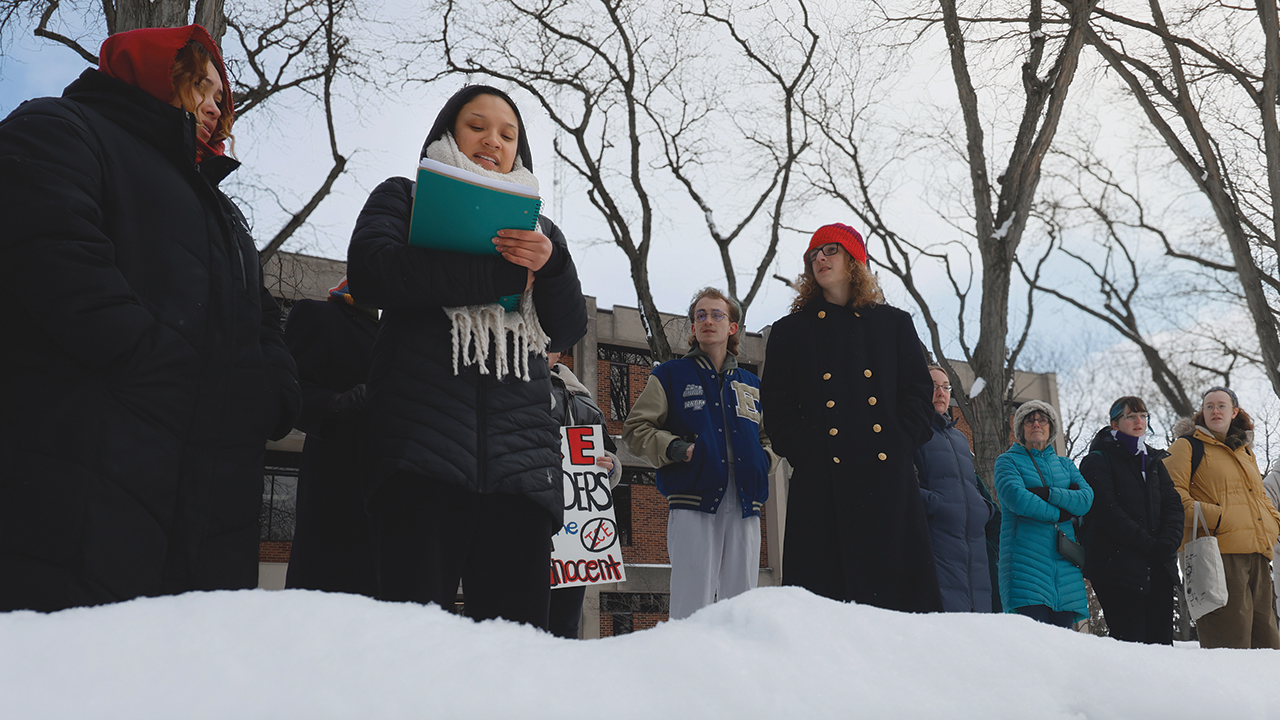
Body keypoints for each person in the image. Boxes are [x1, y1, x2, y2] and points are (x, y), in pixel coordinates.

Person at [0, 25, 300, 612]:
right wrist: (144, 357)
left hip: (213, 501)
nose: (217, 106)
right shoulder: (60, 126)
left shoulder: (224, 214)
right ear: (161, 73)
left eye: (223, 98)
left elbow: (262, 318)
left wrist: (271, 392)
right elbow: (49, 245)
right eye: (204, 87)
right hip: (81, 470)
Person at [347, 85, 587, 629]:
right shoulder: (403, 198)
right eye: (477, 126)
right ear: (447, 132)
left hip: (520, 474)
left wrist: (550, 269)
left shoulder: (541, 232)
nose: (492, 141)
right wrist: (496, 276)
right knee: (411, 646)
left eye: (508, 134)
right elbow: (371, 272)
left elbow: (567, 328)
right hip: (420, 461)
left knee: (516, 660)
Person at [760, 223, 942, 613]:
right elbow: (776, 405)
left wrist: (898, 441)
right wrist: (807, 451)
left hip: (888, 484)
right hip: (821, 488)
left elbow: (918, 395)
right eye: (813, 255)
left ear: (855, 260)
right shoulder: (790, 332)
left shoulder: (895, 323)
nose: (819, 259)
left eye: (830, 250)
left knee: (901, 612)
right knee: (824, 616)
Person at [622, 287, 778, 621]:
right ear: (693, 327)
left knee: (742, 606)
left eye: (717, 315)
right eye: (700, 315)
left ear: (732, 327)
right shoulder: (670, 375)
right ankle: (686, 669)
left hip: (746, 502)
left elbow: (772, 437)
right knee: (692, 606)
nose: (708, 321)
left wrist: (763, 459)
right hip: (694, 499)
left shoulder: (751, 383)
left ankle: (737, 669)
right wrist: (676, 449)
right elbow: (636, 430)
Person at [283, 278, 379, 597]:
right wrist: (337, 403)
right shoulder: (321, 316)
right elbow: (292, 392)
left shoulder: (420, 329)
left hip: (402, 496)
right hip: (340, 487)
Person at [1166, 387, 1280, 649]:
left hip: (1259, 556)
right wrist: (1219, 518)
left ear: (1234, 411)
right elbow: (1171, 497)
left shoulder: (1245, 451)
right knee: (1230, 646)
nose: (1215, 411)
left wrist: (1273, 524)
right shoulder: (1186, 447)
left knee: (1268, 648)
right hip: (1218, 556)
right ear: (1202, 412)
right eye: (1209, 406)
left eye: (1221, 406)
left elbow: (1260, 497)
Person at [1077, 396, 1183, 644]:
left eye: (1144, 415)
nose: (1139, 421)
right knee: (1130, 647)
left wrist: (1168, 542)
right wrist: (1148, 544)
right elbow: (1105, 511)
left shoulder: (1154, 461)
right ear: (1114, 424)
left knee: (1161, 647)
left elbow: (1174, 505)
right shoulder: (1097, 460)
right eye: (1131, 416)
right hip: (1117, 568)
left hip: (1158, 566)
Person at [994, 400, 1094, 628]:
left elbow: (1086, 499)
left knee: (1063, 651)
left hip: (1065, 569)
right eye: (1030, 420)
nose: (1036, 424)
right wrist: (1061, 513)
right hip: (1025, 567)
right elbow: (1018, 499)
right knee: (1033, 649)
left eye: (1042, 419)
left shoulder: (1066, 465)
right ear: (1021, 429)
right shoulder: (1007, 461)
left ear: (1051, 428)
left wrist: (1047, 492)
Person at [546, 349, 619, 638]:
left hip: (572, 542)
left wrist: (611, 467)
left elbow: (609, 457)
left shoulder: (583, 401)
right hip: (522, 522)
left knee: (564, 625)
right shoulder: (509, 384)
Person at [913, 366, 994, 613]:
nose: (941, 392)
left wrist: (984, 508)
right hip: (937, 541)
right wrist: (937, 505)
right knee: (947, 623)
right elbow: (902, 485)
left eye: (945, 387)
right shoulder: (913, 431)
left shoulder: (960, 439)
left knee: (978, 626)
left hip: (974, 546)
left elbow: (971, 485)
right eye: (933, 386)